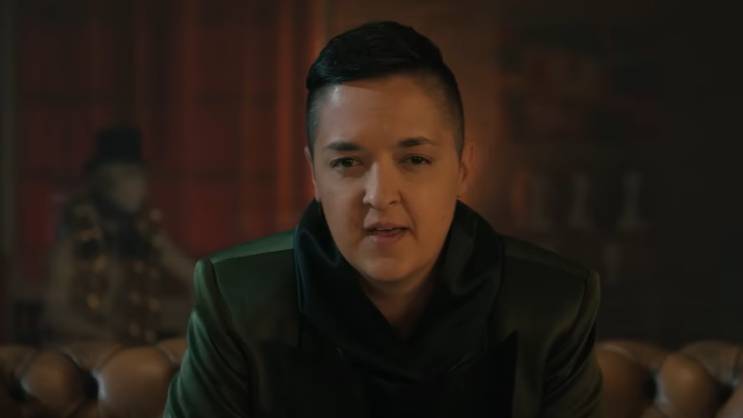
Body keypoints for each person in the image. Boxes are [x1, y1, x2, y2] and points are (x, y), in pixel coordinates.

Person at [165, 21, 602, 417]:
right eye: (347, 163)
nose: (379, 196)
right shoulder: (237, 299)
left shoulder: (553, 304)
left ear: (463, 168)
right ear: (314, 175)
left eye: (414, 159)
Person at [45, 126, 194, 344]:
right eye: (130, 176)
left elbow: (195, 277)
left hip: (133, 349)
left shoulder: (147, 236)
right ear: (107, 184)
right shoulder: (76, 239)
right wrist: (103, 335)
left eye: (141, 176)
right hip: (84, 350)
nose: (141, 186)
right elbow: (55, 312)